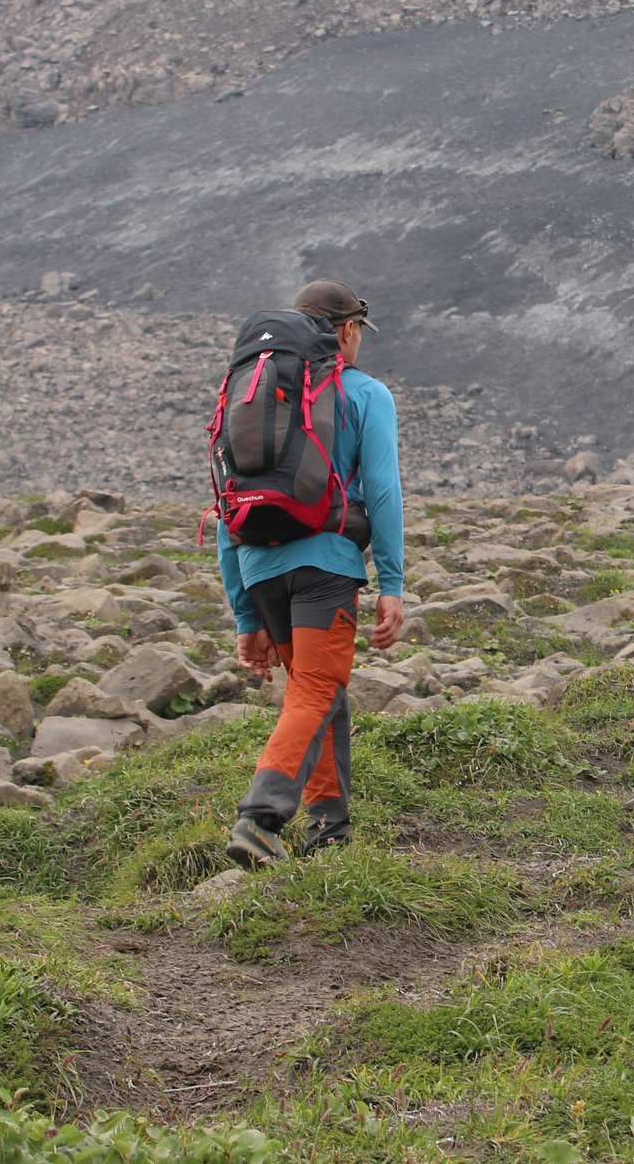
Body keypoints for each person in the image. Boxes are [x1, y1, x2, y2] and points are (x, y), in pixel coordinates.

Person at [219, 278, 406, 867]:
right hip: (325, 566)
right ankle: (261, 817)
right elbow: (382, 491)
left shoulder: (251, 395)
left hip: (259, 567)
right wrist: (392, 584)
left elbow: (226, 502)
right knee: (316, 689)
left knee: (321, 695)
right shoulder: (366, 393)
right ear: (347, 331)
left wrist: (245, 611)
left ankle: (330, 829)